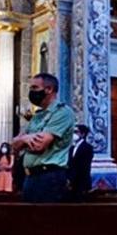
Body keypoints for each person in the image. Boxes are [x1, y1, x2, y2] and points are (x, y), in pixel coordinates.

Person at [12, 73, 75, 203]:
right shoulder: (37, 116)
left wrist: (24, 139)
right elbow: (14, 145)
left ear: (49, 89)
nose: (31, 92)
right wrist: (24, 139)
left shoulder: (62, 112)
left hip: (49, 177)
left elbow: (39, 145)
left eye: (34, 88)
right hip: (30, 176)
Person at [67, 125, 94, 200]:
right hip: (71, 182)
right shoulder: (72, 148)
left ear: (83, 134)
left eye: (76, 132)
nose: (74, 134)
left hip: (82, 182)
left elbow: (84, 167)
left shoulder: (87, 147)